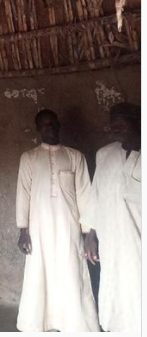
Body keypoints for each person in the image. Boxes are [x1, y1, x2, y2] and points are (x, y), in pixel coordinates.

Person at [16, 109, 99, 332]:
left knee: (71, 270)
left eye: (52, 123)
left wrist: (89, 232)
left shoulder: (75, 156)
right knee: (39, 272)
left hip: (68, 227)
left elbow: (85, 193)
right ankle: (40, 323)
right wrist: (23, 230)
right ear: (38, 129)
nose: (49, 128)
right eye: (44, 125)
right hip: (38, 228)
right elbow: (23, 193)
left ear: (58, 125)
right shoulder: (29, 158)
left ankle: (74, 324)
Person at [81, 102, 141, 332]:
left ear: (138, 121)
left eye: (122, 123)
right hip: (112, 242)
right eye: (113, 125)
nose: (116, 129)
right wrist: (90, 235)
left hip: (138, 245)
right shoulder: (104, 155)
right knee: (115, 292)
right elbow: (96, 196)